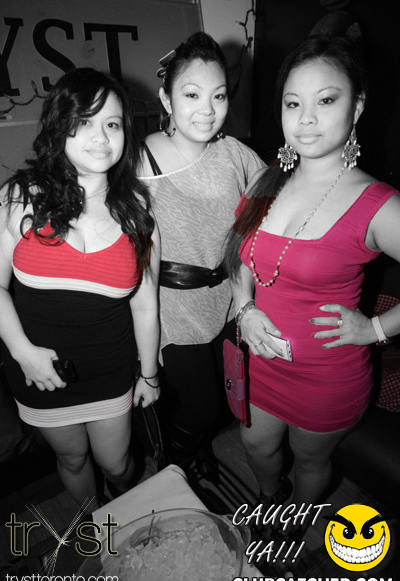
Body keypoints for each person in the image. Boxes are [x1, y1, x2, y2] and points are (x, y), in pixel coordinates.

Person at [224, 34, 400, 541]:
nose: (305, 119)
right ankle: (268, 500)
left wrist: (375, 330)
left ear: (357, 106)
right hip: (262, 360)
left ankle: (294, 521)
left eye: (325, 101)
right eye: (292, 104)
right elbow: (238, 257)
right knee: (256, 446)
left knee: (309, 460)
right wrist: (245, 308)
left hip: (327, 376)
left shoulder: (379, 203)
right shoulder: (266, 182)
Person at [0, 68, 160, 510]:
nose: (101, 137)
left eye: (112, 124)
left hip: (110, 370)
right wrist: (22, 352)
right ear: (60, 125)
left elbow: (145, 306)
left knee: (117, 464)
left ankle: (129, 512)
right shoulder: (19, 198)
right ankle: (96, 530)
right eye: (84, 121)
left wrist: (149, 375)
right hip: (39, 370)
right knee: (71, 459)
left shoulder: (138, 210)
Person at [139, 32, 265, 462]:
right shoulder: (139, 162)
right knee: (201, 406)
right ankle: (174, 463)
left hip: (229, 299)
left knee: (228, 394)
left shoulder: (235, 153)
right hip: (174, 309)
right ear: (166, 99)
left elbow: (275, 203)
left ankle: (196, 451)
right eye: (192, 95)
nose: (208, 110)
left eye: (219, 96)